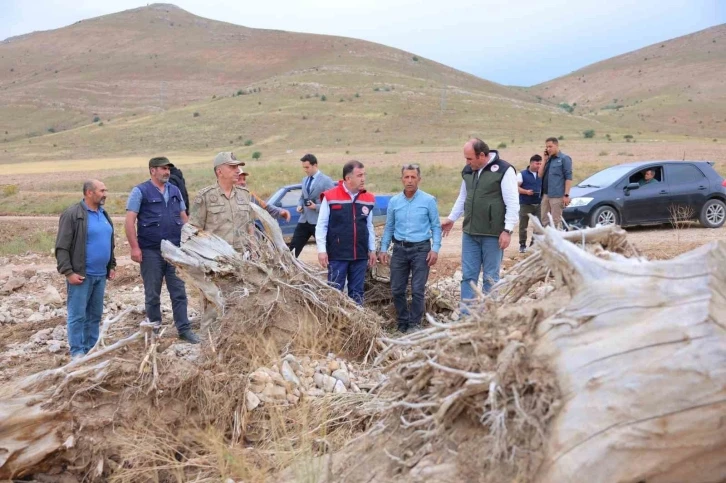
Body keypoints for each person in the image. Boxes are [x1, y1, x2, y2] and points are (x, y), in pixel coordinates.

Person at [125, 156, 199, 344]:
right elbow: (129, 221)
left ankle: (184, 329)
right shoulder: (140, 191)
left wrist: (190, 244)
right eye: (163, 169)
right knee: (152, 293)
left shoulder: (174, 190)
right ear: (152, 170)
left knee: (179, 291)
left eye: (168, 169)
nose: (167, 172)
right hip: (151, 251)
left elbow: (183, 218)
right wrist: (135, 248)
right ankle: (154, 330)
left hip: (174, 250)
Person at [441, 139, 519, 308]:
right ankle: (466, 317)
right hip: (470, 233)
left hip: (493, 235)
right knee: (468, 276)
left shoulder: (504, 170)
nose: (467, 163)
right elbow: (463, 197)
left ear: (482, 155)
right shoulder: (469, 171)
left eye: (469, 159)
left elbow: (513, 203)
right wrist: (452, 218)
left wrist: (507, 230)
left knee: (491, 278)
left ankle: (488, 317)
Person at [55, 180, 117, 359]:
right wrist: (68, 272)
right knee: (77, 315)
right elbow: (62, 247)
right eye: (102, 190)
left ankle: (92, 348)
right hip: (81, 276)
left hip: (100, 276)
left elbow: (109, 243)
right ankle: (77, 352)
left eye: (105, 190)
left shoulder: (104, 214)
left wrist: (111, 265)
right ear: (89, 192)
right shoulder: (73, 214)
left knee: (95, 315)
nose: (105, 194)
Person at [378, 164, 441, 333]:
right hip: (399, 249)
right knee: (397, 288)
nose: (410, 181)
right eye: (406, 177)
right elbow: (389, 227)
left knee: (418, 288)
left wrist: (435, 249)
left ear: (419, 179)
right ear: (402, 179)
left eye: (413, 177)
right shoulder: (394, 202)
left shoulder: (428, 201)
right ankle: (402, 321)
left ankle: (414, 324)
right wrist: (383, 249)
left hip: (421, 249)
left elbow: (436, 227)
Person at [315, 160, 377, 305]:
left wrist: (372, 249)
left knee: (357, 291)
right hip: (337, 254)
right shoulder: (330, 196)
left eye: (364, 175)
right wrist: (322, 250)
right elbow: (321, 225)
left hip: (360, 255)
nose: (363, 179)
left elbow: (369, 226)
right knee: (334, 291)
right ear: (348, 178)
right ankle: (334, 323)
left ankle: (357, 325)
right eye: (359, 175)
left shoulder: (368, 199)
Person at [189, 152, 254, 250]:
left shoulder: (244, 194)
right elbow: (195, 229)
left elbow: (250, 225)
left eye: (237, 167)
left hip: (243, 257)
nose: (237, 171)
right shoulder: (205, 197)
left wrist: (253, 251)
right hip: (217, 258)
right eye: (232, 167)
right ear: (219, 172)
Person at [289, 154, 335, 257]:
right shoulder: (304, 180)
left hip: (318, 221)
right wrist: (299, 205)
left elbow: (332, 202)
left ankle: (334, 271)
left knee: (327, 249)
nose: (305, 170)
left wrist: (316, 207)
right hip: (304, 219)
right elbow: (302, 197)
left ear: (315, 165)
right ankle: (287, 270)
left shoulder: (326, 180)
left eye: (307, 167)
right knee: (293, 248)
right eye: (303, 167)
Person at [538, 137, 573, 229]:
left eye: (550, 146)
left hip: (557, 195)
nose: (548, 149)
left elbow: (568, 177)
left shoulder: (564, 159)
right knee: (544, 220)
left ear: (557, 145)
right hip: (546, 194)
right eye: (547, 147)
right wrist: (544, 160)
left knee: (556, 221)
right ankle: (548, 241)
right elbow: (540, 175)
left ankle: (557, 242)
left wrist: (566, 195)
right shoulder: (548, 160)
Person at [517, 154, 543, 253]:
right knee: (523, 225)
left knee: (539, 225)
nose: (539, 166)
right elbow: (516, 187)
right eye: (537, 163)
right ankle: (522, 244)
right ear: (531, 163)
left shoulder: (542, 174)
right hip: (525, 204)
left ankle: (534, 243)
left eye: (540, 163)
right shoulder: (522, 174)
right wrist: (526, 192)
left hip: (539, 203)